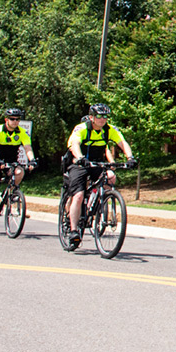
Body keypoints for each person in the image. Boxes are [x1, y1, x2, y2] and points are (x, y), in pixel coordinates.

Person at [65, 103, 134, 247]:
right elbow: (75, 144)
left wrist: (130, 158)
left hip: (97, 164)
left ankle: (102, 201)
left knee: (110, 176)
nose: (103, 119)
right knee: (78, 196)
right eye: (99, 116)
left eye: (105, 116)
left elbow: (123, 142)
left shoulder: (110, 130)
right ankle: (73, 231)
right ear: (91, 117)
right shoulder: (82, 128)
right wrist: (80, 157)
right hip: (79, 163)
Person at [0, 107, 37, 228]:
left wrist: (32, 160)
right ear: (6, 120)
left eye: (17, 119)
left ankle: (11, 192)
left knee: (20, 172)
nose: (15, 121)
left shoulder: (21, 132)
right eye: (12, 119)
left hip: (11, 161)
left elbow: (27, 148)